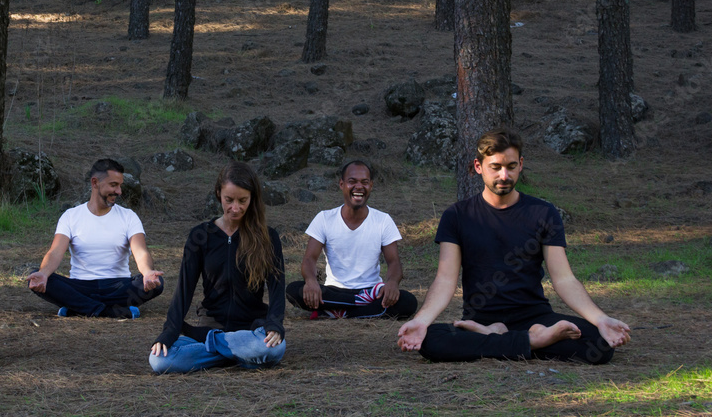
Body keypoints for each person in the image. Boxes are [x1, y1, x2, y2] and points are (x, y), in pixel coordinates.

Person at [397, 129, 630, 364]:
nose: (504, 175)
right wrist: (421, 321)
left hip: (536, 316)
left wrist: (601, 319)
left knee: (599, 345)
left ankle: (502, 339)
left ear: (521, 165)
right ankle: (532, 340)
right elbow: (446, 280)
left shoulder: (543, 213)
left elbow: (564, 279)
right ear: (478, 166)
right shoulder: (457, 216)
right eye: (495, 167)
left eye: (510, 166)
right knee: (431, 340)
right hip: (481, 319)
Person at [149, 162, 286, 373]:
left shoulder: (268, 238)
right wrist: (170, 331)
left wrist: (274, 324)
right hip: (209, 327)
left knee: (275, 348)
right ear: (218, 194)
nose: (235, 208)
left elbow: (277, 289)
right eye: (228, 200)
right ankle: (239, 356)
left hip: (251, 332)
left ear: (253, 198)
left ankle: (216, 350)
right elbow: (183, 291)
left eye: (243, 201)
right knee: (159, 361)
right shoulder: (200, 236)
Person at [26, 158, 164, 318]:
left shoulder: (129, 216)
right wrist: (43, 273)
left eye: (120, 186)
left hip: (118, 286)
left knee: (157, 284)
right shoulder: (71, 216)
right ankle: (108, 311)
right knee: (37, 278)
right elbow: (55, 252)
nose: (119, 191)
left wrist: (147, 272)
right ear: (95, 183)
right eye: (113, 185)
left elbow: (141, 252)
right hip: (80, 285)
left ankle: (78, 307)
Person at [286, 159, 417, 320]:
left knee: (408, 302)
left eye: (364, 182)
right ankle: (360, 309)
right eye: (352, 181)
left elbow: (394, 262)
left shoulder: (383, 220)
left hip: (371, 291)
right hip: (334, 291)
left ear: (371, 186)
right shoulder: (324, 218)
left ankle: (333, 311)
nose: (359, 187)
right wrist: (311, 281)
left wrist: (392, 283)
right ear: (342, 184)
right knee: (294, 290)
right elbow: (309, 259)